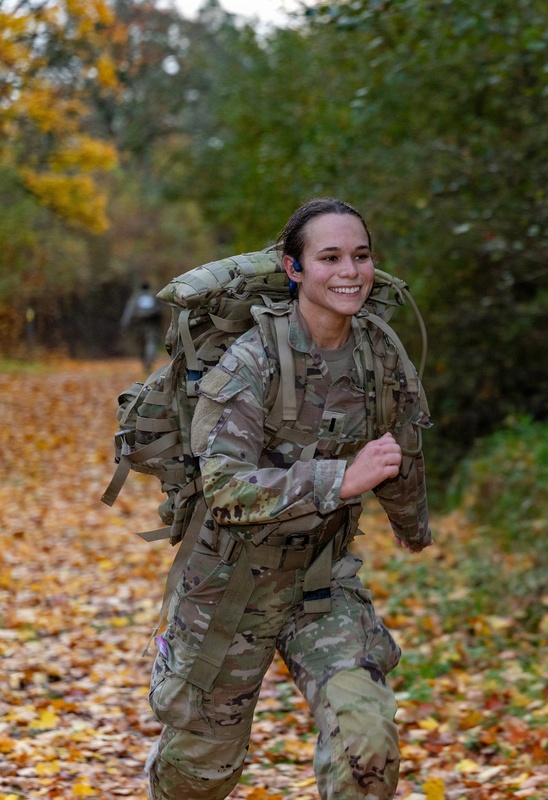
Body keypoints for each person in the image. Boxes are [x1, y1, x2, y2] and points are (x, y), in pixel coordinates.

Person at [144, 198, 433, 800]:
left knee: (367, 745)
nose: (350, 271)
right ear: (293, 268)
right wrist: (340, 480)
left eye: (361, 255)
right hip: (229, 589)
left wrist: (412, 528)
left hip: (321, 581)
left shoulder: (380, 355)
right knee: (199, 775)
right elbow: (225, 490)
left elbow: (399, 448)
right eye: (329, 257)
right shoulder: (250, 362)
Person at [120, 280, 164, 372]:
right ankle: (149, 360)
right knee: (151, 342)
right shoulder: (154, 296)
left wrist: (125, 325)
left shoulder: (136, 297)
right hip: (151, 323)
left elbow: (129, 312)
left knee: (141, 345)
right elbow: (160, 311)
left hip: (138, 324)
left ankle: (146, 362)